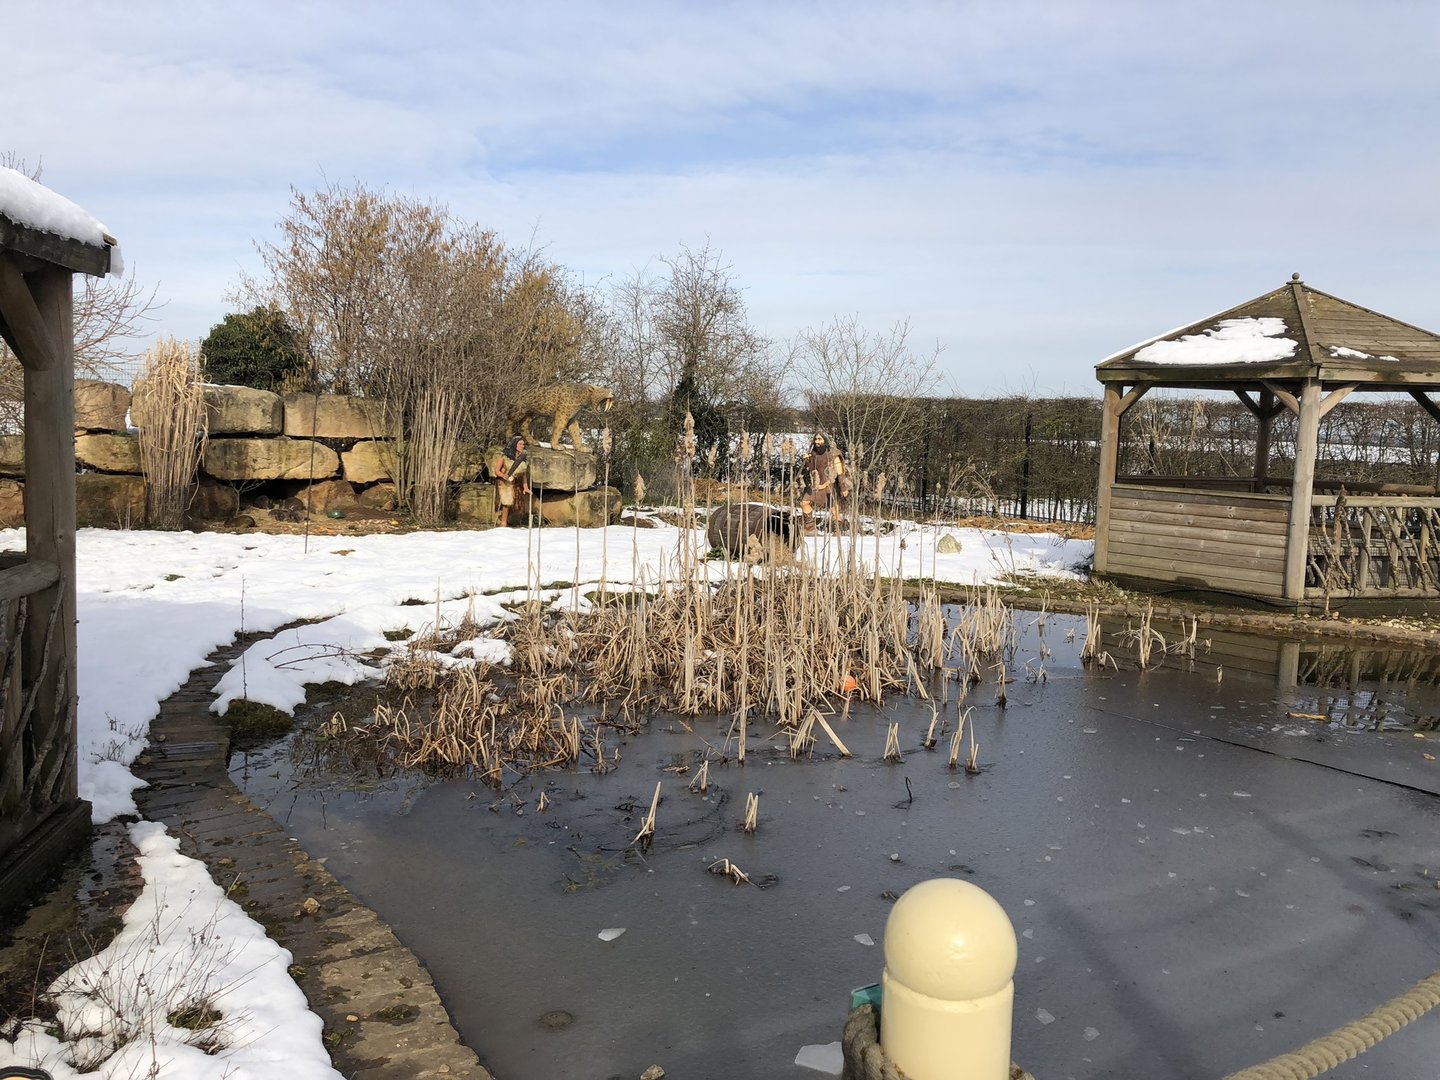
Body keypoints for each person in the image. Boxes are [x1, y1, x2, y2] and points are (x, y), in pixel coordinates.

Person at [800, 432, 851, 532]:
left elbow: (840, 473)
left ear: (825, 440)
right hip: (816, 485)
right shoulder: (813, 453)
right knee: (804, 502)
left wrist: (843, 488)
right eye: (816, 439)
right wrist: (807, 460)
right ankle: (810, 528)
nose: (817, 442)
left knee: (834, 510)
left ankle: (838, 531)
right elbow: (810, 470)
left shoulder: (833, 454)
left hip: (829, 485)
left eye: (820, 439)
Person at [493, 435, 531, 527]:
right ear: (514, 444)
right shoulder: (503, 456)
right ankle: (503, 523)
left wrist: (526, 487)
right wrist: (503, 475)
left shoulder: (523, 458)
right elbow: (497, 470)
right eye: (520, 444)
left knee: (516, 505)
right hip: (505, 483)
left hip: (516, 483)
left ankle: (510, 523)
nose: (522, 446)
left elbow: (524, 474)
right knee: (507, 502)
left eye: (523, 444)